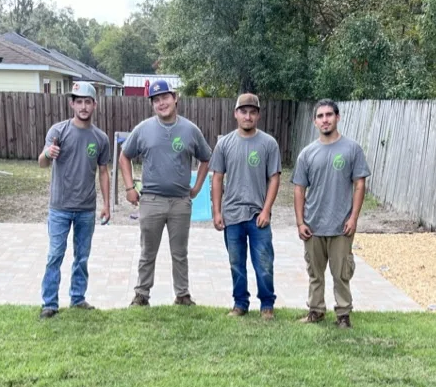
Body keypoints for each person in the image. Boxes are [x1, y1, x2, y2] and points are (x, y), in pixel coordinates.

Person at [118, 79, 212, 306]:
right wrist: (130, 187)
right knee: (147, 251)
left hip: (180, 202)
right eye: (156, 100)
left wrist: (197, 187)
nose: (161, 103)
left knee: (180, 252)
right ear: (152, 104)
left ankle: (182, 295)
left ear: (175, 98)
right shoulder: (143, 129)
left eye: (165, 97)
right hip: (151, 201)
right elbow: (124, 156)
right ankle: (141, 295)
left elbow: (206, 158)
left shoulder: (190, 130)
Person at [292, 99, 371, 329]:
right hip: (313, 225)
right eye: (320, 116)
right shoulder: (307, 154)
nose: (325, 119)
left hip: (341, 226)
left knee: (341, 273)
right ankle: (315, 311)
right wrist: (300, 222)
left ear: (338, 117)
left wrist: (353, 218)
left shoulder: (352, 149)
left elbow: (359, 185)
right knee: (315, 273)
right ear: (314, 121)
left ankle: (343, 315)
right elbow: (299, 189)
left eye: (329, 115)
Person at [37, 81, 111, 319]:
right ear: (71, 104)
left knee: (82, 257)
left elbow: (104, 172)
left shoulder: (100, 138)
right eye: (78, 101)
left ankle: (78, 298)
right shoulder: (58, 131)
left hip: (86, 209)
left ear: (94, 105)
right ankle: (50, 303)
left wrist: (107, 205)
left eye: (87, 102)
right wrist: (48, 153)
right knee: (55, 255)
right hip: (59, 207)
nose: (83, 106)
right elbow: (42, 161)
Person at [210, 93, 281, 319]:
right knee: (236, 263)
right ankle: (240, 304)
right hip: (232, 216)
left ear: (258, 115)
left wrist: (267, 209)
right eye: (243, 111)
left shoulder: (268, 143)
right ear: (236, 114)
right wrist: (217, 211)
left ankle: (267, 305)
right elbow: (217, 178)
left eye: (252, 112)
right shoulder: (224, 144)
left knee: (264, 263)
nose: (247, 116)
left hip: (258, 215)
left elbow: (275, 178)